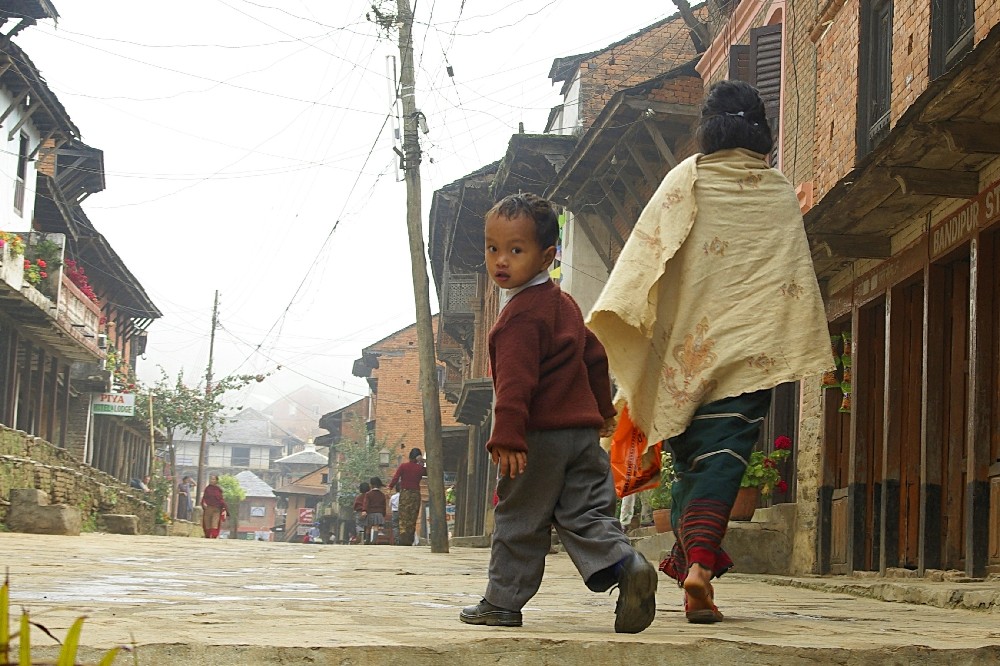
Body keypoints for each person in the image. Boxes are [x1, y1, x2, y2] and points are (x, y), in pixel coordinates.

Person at [587, 80, 833, 624]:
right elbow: (785, 276)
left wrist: (628, 335)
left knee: (694, 465)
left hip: (685, 358)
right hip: (749, 358)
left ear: (710, 126)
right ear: (761, 129)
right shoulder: (778, 189)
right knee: (725, 462)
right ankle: (698, 570)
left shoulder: (685, 180)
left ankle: (697, 571)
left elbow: (641, 264)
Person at [459, 192, 657, 634]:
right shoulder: (564, 305)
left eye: (516, 249)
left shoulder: (518, 319)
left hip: (536, 438)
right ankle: (626, 564)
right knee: (586, 512)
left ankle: (502, 602)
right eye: (493, 249)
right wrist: (603, 412)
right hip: (582, 436)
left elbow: (514, 385)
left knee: (520, 518)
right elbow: (594, 357)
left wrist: (507, 437)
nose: (501, 261)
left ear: (548, 256)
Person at [387, 448, 426, 546]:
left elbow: (396, 477)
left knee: (403, 517)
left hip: (404, 494)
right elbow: (428, 472)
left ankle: (403, 539)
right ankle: (410, 538)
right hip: (415, 494)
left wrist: (390, 487)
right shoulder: (421, 469)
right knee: (412, 517)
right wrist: (422, 462)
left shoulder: (403, 466)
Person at [201, 474, 228, 539]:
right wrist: (203, 503)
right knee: (207, 522)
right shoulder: (207, 489)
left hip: (217, 509)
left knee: (215, 522)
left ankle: (214, 535)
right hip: (208, 508)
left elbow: (221, 499)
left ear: (216, 480)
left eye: (213, 479)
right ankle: (207, 535)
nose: (211, 480)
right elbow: (204, 497)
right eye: (210, 479)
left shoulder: (218, 489)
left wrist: (224, 508)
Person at [361, 477, 386, 545]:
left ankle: (367, 540)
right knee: (376, 527)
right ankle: (374, 541)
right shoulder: (382, 495)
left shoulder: (368, 494)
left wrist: (364, 510)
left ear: (371, 485)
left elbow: (366, 503)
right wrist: (383, 514)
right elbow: (384, 505)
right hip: (379, 513)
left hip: (370, 512)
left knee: (368, 527)